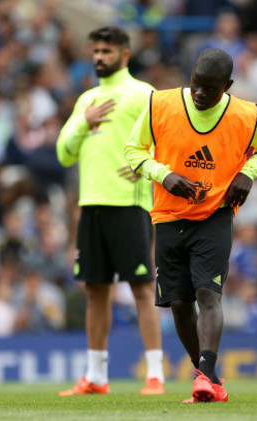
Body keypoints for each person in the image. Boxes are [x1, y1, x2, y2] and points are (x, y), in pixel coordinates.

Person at [125, 48, 257, 403]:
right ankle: (208, 376)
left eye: (210, 89)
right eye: (196, 84)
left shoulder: (245, 114)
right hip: (168, 215)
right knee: (179, 304)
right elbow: (133, 150)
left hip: (214, 214)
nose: (199, 94)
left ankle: (204, 377)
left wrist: (247, 172)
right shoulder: (160, 105)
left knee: (208, 294)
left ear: (227, 86)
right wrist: (164, 175)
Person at [56, 26, 164, 396]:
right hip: (92, 205)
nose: (99, 57)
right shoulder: (86, 99)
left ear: (124, 54)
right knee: (94, 291)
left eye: (107, 51)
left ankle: (155, 375)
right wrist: (85, 123)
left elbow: (167, 140)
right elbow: (63, 152)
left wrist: (145, 164)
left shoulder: (142, 94)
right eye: (96, 50)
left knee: (141, 288)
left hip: (129, 204)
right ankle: (97, 377)